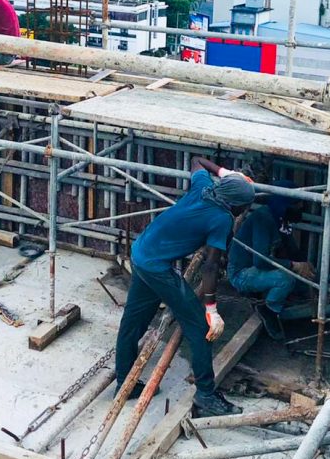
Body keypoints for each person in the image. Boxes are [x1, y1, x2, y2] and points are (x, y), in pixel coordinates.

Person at [114, 156, 255, 418]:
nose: (244, 211)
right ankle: (206, 396)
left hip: (142, 251)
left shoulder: (203, 187)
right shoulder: (222, 219)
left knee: (133, 321)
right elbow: (211, 267)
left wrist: (226, 172)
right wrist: (211, 309)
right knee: (201, 327)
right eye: (245, 207)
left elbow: (197, 161)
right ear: (236, 206)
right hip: (157, 267)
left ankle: (125, 381)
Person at [228, 182, 314, 341]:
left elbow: (292, 249)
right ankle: (269, 310)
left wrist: (305, 266)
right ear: (284, 205)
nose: (300, 210)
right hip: (241, 273)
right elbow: (260, 261)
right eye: (296, 206)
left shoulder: (281, 219)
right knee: (285, 279)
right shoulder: (264, 219)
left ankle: (273, 300)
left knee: (302, 280)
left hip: (258, 270)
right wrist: (294, 266)